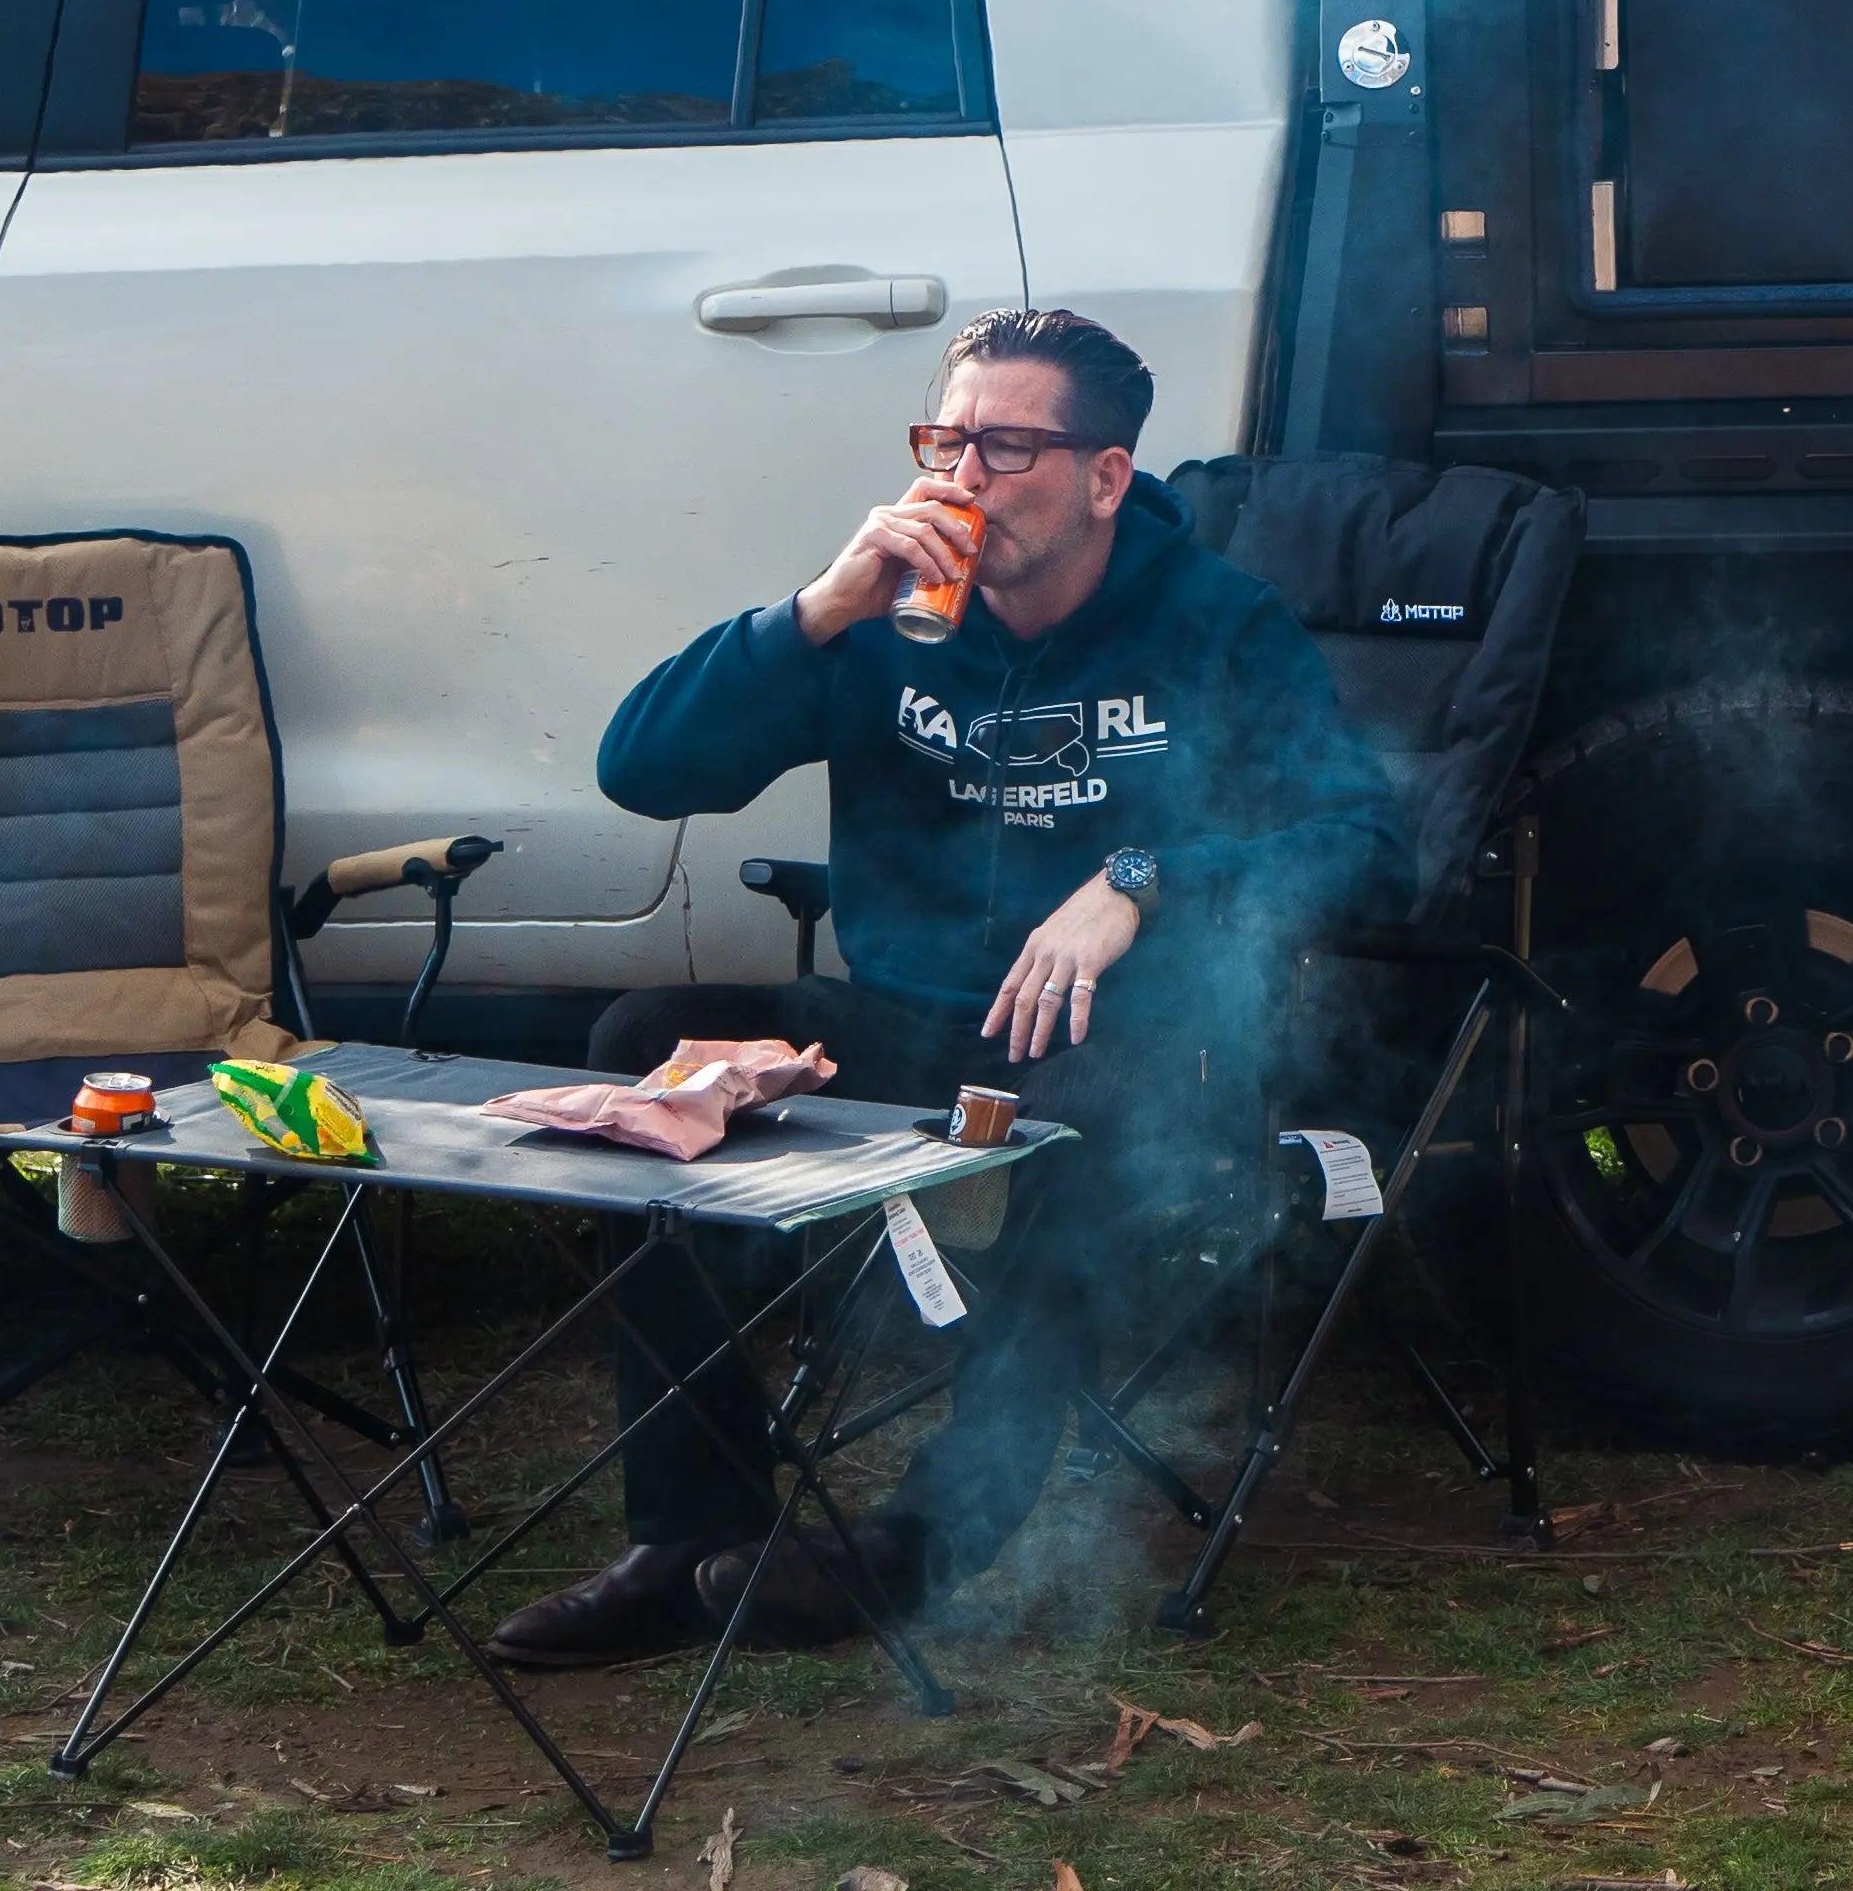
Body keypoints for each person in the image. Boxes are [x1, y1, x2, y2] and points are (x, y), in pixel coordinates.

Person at [486, 305, 1399, 1668]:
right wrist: (813, 614)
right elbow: (642, 772)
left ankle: (924, 1541)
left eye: (1008, 449)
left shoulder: (1217, 626)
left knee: (1087, 1123)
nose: (962, 479)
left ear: (1104, 476)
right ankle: (684, 1541)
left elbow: (1373, 850)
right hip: (908, 1026)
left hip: (1131, 1047)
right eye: (947, 440)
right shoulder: (881, 621)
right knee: (644, 1042)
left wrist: (1144, 880)